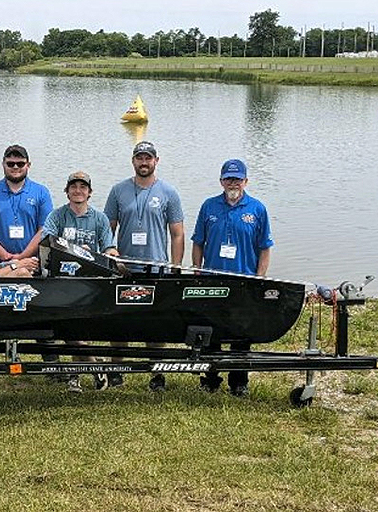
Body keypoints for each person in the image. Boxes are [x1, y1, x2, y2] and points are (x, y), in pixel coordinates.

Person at [103, 141, 185, 391]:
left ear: (156, 161)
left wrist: (175, 267)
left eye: (148, 158)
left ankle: (157, 374)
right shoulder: (118, 191)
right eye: (140, 158)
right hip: (124, 269)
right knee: (119, 324)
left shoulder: (168, 192)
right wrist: (111, 261)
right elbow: (108, 230)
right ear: (133, 161)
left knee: (155, 326)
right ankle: (116, 371)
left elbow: (177, 234)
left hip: (156, 269)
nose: (144, 162)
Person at [191, 158, 274, 397]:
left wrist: (260, 278)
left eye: (237, 179)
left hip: (244, 281)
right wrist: (197, 270)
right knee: (211, 331)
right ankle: (210, 378)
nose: (233, 183)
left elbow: (265, 247)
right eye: (228, 178)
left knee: (241, 333)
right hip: (212, 279)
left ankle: (239, 381)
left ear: (246, 181)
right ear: (221, 181)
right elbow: (198, 242)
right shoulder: (209, 206)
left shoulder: (257, 209)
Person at [0, 144, 54, 379]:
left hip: (33, 263)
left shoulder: (41, 192)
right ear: (4, 165)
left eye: (20, 164)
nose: (16, 168)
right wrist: (6, 257)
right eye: (11, 164)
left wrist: (23, 257)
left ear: (28, 165)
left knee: (41, 311)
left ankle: (50, 362)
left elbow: (44, 229)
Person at [42, 171, 118, 392]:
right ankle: (93, 367)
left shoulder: (100, 218)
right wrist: (73, 249)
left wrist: (111, 253)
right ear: (66, 191)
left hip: (90, 283)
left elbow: (108, 248)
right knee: (71, 330)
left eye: (83, 187)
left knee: (75, 331)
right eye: (73, 187)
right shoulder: (56, 216)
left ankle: (77, 375)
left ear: (90, 192)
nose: (78, 190)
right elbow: (47, 242)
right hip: (63, 282)